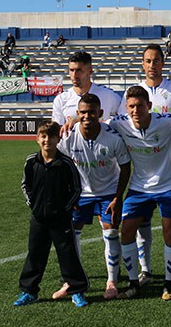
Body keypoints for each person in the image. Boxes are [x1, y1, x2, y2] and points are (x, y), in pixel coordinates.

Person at [120, 44, 171, 286]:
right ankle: (145, 269)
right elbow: (122, 124)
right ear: (143, 64)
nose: (152, 65)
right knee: (141, 223)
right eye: (148, 61)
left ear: (163, 63)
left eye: (156, 61)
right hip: (143, 167)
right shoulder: (133, 93)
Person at [109, 86, 171, 300]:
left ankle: (169, 284)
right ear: (126, 107)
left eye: (140, 106)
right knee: (126, 232)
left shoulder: (166, 121)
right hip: (139, 187)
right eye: (131, 106)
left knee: (169, 232)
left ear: (149, 106)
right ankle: (134, 282)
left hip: (167, 185)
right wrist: (73, 122)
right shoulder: (119, 123)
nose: (136, 110)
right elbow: (99, 126)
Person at [56, 93, 131, 300]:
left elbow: (125, 167)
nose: (87, 116)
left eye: (91, 112)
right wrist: (69, 194)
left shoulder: (113, 137)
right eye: (83, 113)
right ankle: (72, 281)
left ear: (100, 113)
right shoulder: (68, 137)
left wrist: (118, 197)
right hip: (81, 193)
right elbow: (60, 165)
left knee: (111, 233)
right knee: (72, 234)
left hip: (108, 192)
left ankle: (112, 281)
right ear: (77, 114)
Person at [14, 121, 89, 308]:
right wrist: (34, 205)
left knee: (67, 254)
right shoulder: (32, 161)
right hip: (39, 218)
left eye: (51, 136)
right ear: (37, 139)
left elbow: (76, 189)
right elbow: (26, 185)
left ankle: (76, 291)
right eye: (43, 136)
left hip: (61, 219)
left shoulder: (65, 163)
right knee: (35, 254)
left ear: (58, 139)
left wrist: (65, 209)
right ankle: (29, 291)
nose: (47, 140)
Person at [52, 51, 121, 135]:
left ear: (90, 71)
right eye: (71, 70)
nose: (74, 75)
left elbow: (124, 120)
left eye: (79, 70)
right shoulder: (61, 99)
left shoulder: (108, 95)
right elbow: (57, 131)